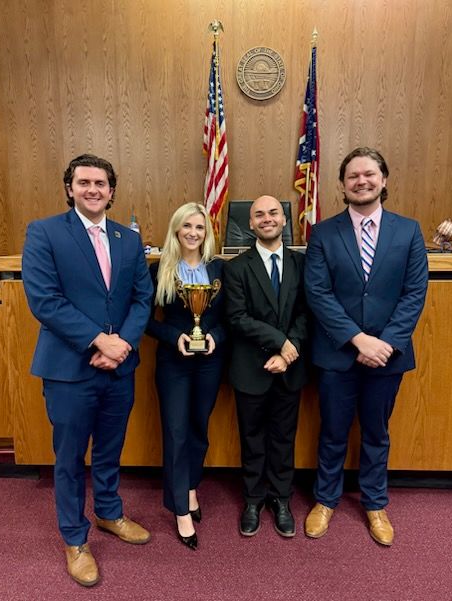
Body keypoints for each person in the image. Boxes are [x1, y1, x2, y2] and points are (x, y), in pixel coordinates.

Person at [22, 154, 153, 586]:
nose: (93, 189)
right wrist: (101, 341)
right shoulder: (44, 232)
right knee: (69, 458)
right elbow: (45, 300)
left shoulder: (129, 240)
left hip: (118, 368)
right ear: (70, 188)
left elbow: (141, 300)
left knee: (110, 449)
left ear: (112, 190)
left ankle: (109, 513)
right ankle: (75, 539)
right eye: (84, 182)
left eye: (101, 183)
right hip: (70, 369)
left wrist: (123, 345)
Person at [304, 147, 428, 546]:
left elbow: (414, 294)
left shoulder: (409, 231)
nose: (362, 181)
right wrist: (358, 340)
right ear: (342, 185)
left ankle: (375, 503)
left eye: (369, 174)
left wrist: (385, 345)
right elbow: (318, 293)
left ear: (383, 179)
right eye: (353, 175)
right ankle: (325, 500)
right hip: (337, 353)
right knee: (333, 431)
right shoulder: (323, 233)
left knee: (377, 432)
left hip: (387, 358)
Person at [223, 195, 308, 538]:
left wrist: (289, 351)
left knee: (284, 438)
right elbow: (237, 318)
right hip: (251, 368)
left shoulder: (302, 263)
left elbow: (307, 312)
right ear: (250, 224)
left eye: (274, 212)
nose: (267, 218)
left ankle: (282, 498)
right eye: (259, 214)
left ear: (285, 220)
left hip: (291, 366)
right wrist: (279, 342)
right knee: (252, 438)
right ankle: (254, 499)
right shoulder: (235, 267)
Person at [146, 203, 226, 550]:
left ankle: (192, 486)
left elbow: (232, 317)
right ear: (176, 230)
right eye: (187, 227)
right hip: (173, 363)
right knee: (176, 433)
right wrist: (171, 336)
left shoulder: (219, 269)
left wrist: (214, 337)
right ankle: (180, 508)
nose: (193, 233)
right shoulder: (159, 270)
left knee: (198, 428)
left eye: (200, 227)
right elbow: (144, 320)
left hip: (210, 361)